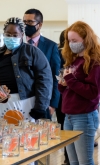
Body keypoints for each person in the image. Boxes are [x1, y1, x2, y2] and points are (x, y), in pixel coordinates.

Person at [0, 17, 53, 124]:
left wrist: (40, 107)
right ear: (4, 34)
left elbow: (44, 80)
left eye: (15, 35)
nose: (11, 37)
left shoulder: (32, 52)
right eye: (8, 34)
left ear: (21, 35)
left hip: (26, 102)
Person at [58, 21, 100, 165]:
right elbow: (70, 89)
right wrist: (63, 84)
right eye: (69, 41)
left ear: (86, 39)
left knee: (84, 161)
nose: (71, 44)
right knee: (73, 161)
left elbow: (93, 92)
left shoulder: (94, 62)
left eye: (74, 41)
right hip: (69, 116)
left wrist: (70, 80)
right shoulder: (75, 60)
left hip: (84, 117)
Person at [23, 9, 60, 119]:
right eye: (24, 22)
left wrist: (53, 104)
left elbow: (55, 76)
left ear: (39, 25)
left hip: (43, 99)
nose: (26, 25)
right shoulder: (18, 44)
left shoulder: (51, 46)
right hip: (22, 99)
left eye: (30, 22)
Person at [55, 30, 69, 165]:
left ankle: (67, 157)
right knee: (67, 128)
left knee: (64, 128)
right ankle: (68, 157)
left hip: (60, 96)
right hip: (64, 94)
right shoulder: (62, 53)